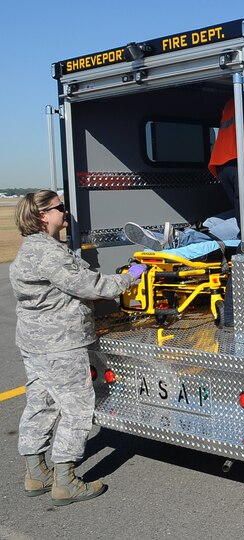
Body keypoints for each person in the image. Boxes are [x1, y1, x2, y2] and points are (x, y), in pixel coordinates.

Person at [10, 190, 145, 506]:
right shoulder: (49, 254)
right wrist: (131, 277)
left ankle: (35, 473)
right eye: (60, 207)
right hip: (61, 344)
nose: (66, 213)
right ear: (43, 215)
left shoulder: (29, 251)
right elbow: (92, 287)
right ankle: (65, 481)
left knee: (41, 403)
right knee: (77, 408)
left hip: (35, 343)